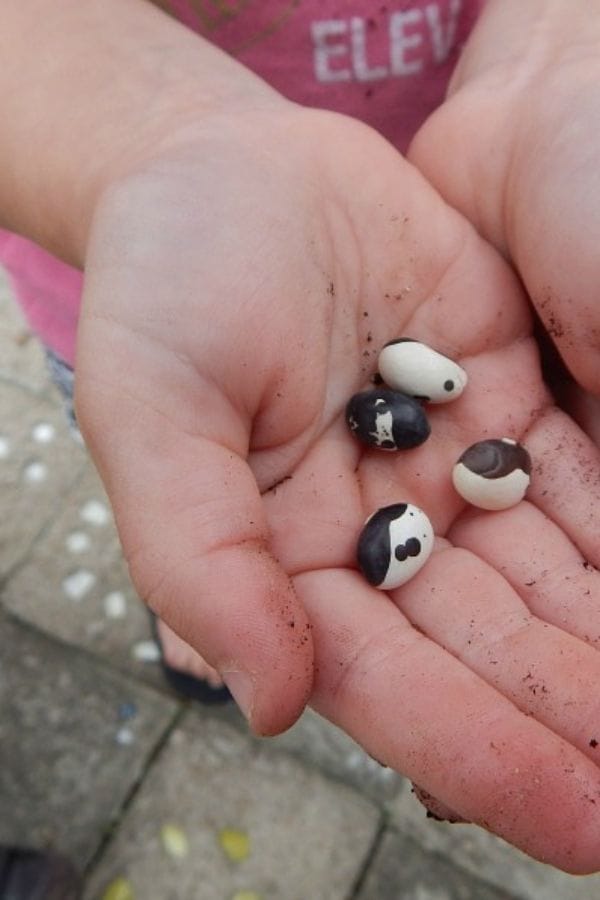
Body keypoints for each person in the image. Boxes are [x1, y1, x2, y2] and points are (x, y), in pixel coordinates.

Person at [2, 0, 600, 878]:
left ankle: (206, 596)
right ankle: (189, 596)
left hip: (466, 224)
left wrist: (556, 60)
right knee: (173, 470)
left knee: (218, 535)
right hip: (146, 274)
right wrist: (151, 136)